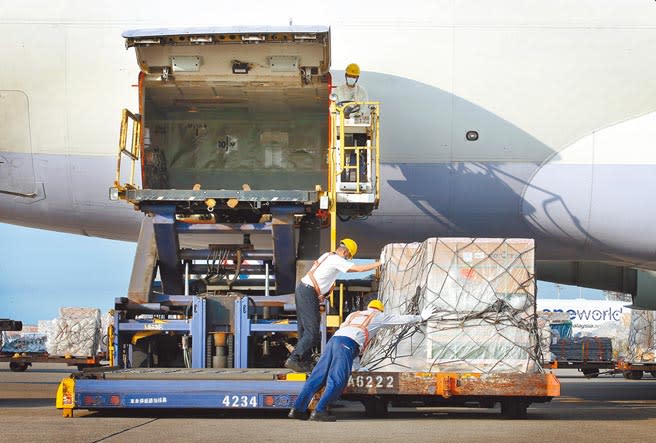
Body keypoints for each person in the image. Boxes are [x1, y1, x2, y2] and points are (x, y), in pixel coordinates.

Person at [288, 299, 436, 422]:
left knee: (318, 377)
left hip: (333, 342)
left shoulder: (354, 315)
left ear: (368, 307)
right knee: (338, 380)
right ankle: (319, 411)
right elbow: (399, 320)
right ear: (380, 309)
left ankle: (297, 410)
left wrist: (357, 368)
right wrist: (421, 317)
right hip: (346, 343)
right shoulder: (378, 316)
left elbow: (353, 349)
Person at [284, 238, 381, 373]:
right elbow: (357, 269)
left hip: (303, 289)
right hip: (308, 292)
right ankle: (294, 359)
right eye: (348, 257)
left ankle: (303, 361)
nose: (347, 259)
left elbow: (324, 276)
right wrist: (379, 264)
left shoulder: (327, 255)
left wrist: (324, 292)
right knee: (312, 331)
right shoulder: (336, 260)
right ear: (346, 252)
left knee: (305, 330)